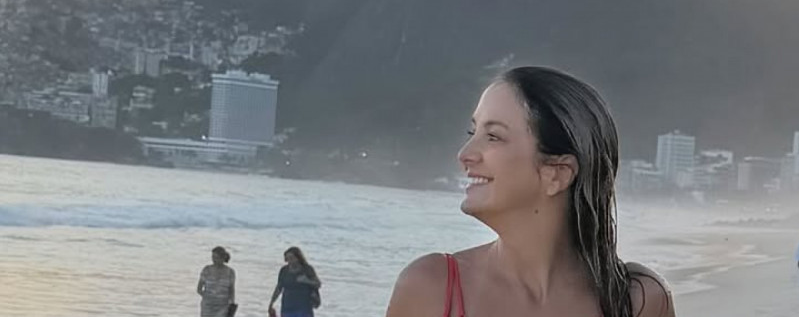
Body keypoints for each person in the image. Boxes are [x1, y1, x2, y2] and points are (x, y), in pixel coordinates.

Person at [384, 65, 674, 317]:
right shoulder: (431, 288)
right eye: (473, 134)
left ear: (556, 174)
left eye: (493, 136)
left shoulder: (638, 301)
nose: (465, 154)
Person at [269, 246, 321, 317]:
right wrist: (271, 303)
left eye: (292, 258)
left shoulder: (307, 269)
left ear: (298, 258)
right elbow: (279, 288)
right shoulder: (284, 270)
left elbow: (318, 284)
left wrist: (306, 281)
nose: (289, 261)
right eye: (287, 259)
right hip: (287, 307)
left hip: (304, 308)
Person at [197, 246, 237, 317]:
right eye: (212, 257)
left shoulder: (230, 272)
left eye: (216, 257)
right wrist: (207, 298)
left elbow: (231, 290)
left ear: (223, 258)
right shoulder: (207, 270)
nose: (214, 259)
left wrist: (232, 303)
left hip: (223, 307)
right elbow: (199, 289)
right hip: (207, 307)